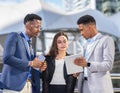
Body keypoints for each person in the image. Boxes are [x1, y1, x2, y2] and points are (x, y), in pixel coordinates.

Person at [1, 13, 47, 93]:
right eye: (37, 27)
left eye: (40, 27)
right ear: (28, 26)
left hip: (29, 87)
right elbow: (7, 58)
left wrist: (39, 67)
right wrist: (31, 63)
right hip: (13, 87)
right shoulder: (14, 36)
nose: (39, 30)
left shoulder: (30, 45)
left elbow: (30, 67)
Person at [74, 15, 115, 93]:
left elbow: (108, 65)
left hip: (99, 88)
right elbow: (84, 65)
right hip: (84, 85)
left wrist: (88, 64)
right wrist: (79, 70)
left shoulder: (106, 40)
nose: (81, 33)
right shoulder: (85, 44)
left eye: (82, 30)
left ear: (90, 27)